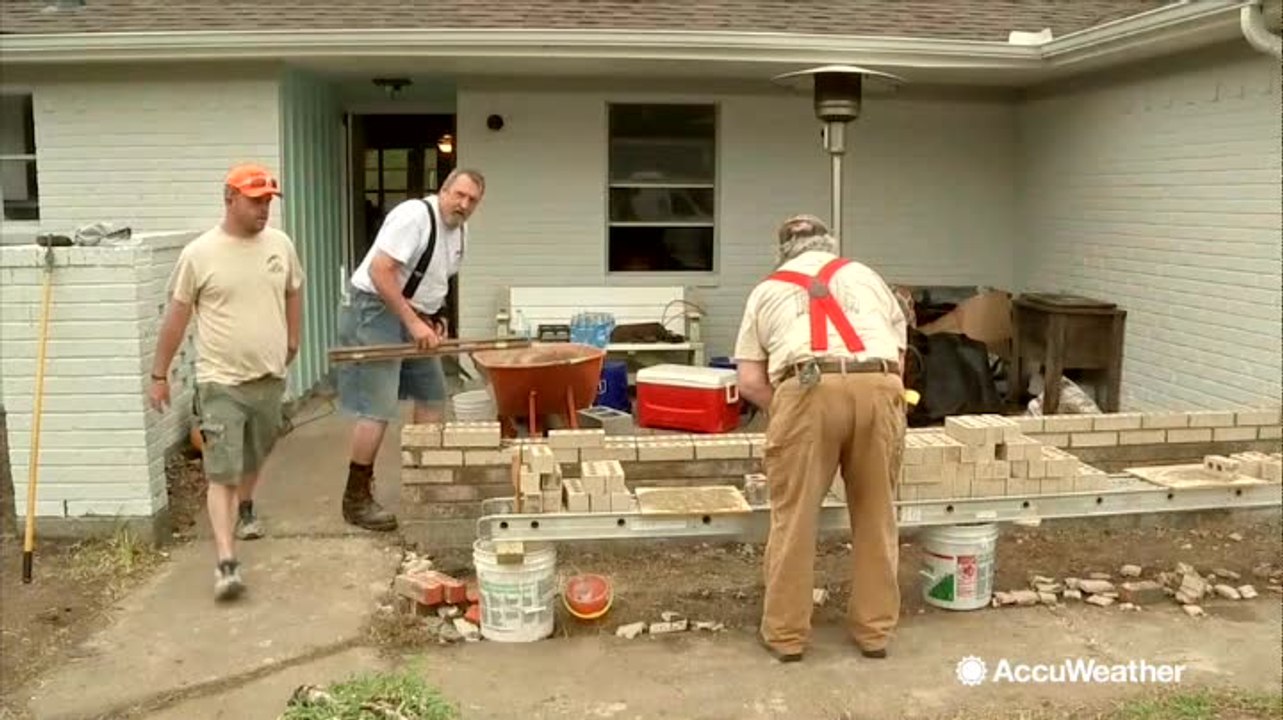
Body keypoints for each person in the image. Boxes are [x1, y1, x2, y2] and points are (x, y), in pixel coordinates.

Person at [733, 214, 908, 662]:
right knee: (876, 514)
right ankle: (874, 633)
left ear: (782, 251)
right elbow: (899, 359)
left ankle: (786, 636)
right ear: (830, 245)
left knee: (794, 518)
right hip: (879, 383)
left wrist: (790, 412)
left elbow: (749, 382)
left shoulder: (766, 290)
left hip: (807, 386)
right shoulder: (868, 277)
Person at [149, 163, 303, 601]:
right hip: (220, 384)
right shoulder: (200, 254)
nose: (264, 209)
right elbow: (176, 317)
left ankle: (246, 505)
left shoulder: (280, 245)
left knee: (254, 456)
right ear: (229, 199)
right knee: (222, 473)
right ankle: (226, 563)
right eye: (256, 201)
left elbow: (294, 289)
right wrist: (159, 374)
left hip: (268, 379)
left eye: (268, 201)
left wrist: (294, 336)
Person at [336, 169, 485, 531]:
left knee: (432, 395)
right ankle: (355, 497)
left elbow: (435, 278)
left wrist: (436, 318)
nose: (464, 204)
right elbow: (380, 272)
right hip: (374, 308)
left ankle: (424, 483)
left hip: (413, 313)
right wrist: (414, 323)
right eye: (459, 195)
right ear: (443, 190)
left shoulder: (460, 231)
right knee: (378, 405)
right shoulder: (414, 216)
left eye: (472, 200)